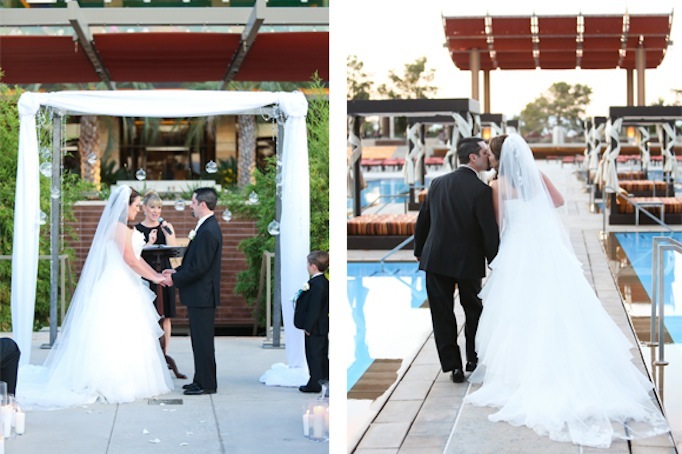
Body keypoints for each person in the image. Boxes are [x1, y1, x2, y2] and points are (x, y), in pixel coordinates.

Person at [465, 133, 669, 448]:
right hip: (546, 251)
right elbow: (558, 201)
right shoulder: (537, 176)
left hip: (518, 251)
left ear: (499, 158)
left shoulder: (497, 186)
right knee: (559, 305)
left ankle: (524, 373)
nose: (489, 159)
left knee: (521, 313)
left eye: (491, 155)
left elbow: (498, 223)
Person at [17, 186, 173, 409]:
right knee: (113, 334)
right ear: (125, 206)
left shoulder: (121, 228)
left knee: (128, 334)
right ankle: (111, 381)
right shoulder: (119, 228)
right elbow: (130, 260)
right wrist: (157, 278)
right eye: (136, 205)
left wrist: (156, 275)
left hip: (126, 283)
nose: (138, 210)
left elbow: (136, 258)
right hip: (117, 285)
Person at [413, 137, 500, 383]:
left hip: (435, 258)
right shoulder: (481, 190)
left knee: (442, 313)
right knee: (473, 310)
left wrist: (420, 250)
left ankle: (453, 367)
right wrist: (495, 260)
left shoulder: (438, 183)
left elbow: (424, 220)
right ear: (473, 157)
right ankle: (473, 358)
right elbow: (488, 231)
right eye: (485, 152)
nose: (488, 156)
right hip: (468, 261)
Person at [162, 187, 222, 396]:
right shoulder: (205, 227)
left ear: (202, 204)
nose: (190, 205)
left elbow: (200, 267)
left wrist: (174, 279)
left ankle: (207, 384)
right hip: (200, 295)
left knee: (203, 341)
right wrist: (176, 271)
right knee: (198, 340)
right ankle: (200, 379)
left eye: (193, 202)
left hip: (203, 295)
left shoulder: (208, 230)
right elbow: (194, 262)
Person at [136, 190, 177, 354]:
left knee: (165, 315)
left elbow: (174, 250)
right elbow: (134, 254)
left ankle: (165, 353)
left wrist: (168, 233)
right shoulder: (137, 229)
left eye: (159, 208)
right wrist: (149, 242)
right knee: (147, 315)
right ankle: (148, 355)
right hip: (145, 275)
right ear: (144, 208)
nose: (156, 211)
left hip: (164, 273)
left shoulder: (166, 227)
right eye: (152, 207)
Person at [294, 251, 330, 393]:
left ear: (313, 266)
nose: (307, 267)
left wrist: (308, 326)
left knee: (314, 354)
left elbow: (315, 308)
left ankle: (315, 383)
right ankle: (324, 377)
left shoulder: (317, 285)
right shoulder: (324, 282)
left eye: (308, 264)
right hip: (321, 326)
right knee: (320, 353)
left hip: (315, 327)